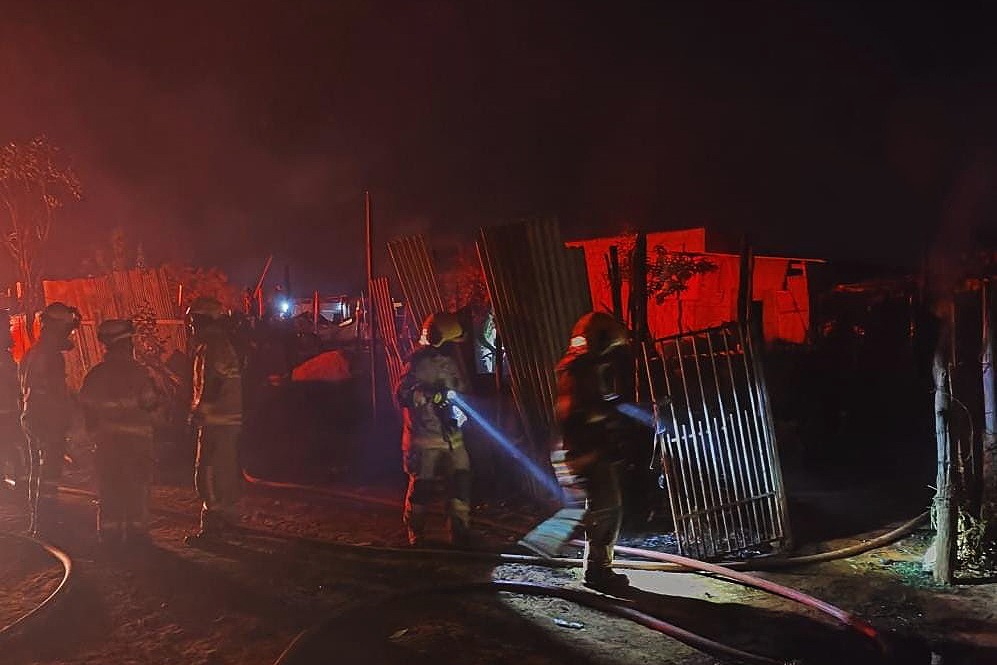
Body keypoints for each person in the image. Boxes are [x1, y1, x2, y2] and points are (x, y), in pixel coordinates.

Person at [554, 311, 632, 593]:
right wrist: (607, 417)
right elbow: (580, 412)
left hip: (582, 450)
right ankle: (599, 571)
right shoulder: (584, 368)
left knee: (600, 509)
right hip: (589, 452)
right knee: (608, 509)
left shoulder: (577, 366)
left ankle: (597, 568)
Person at [80, 319, 161, 545]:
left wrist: (93, 435)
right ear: (127, 343)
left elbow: (86, 411)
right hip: (138, 444)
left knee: (109, 488)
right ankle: (137, 535)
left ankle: (110, 534)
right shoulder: (140, 373)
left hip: (107, 445)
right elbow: (152, 404)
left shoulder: (95, 376)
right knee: (136, 488)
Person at [396, 312, 471, 547]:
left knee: (461, 483)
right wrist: (429, 394)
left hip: (452, 437)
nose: (455, 347)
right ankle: (416, 534)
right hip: (423, 437)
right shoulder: (415, 363)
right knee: (421, 489)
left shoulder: (449, 362)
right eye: (451, 342)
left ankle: (459, 532)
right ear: (440, 339)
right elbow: (402, 394)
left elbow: (460, 388)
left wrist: (457, 403)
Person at [183, 297, 243, 546]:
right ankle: (226, 519)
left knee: (207, 471)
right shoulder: (220, 343)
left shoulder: (212, 345)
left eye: (195, 319)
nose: (192, 324)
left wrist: (201, 411)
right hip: (227, 419)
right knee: (224, 469)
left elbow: (213, 382)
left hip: (215, 420)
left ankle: (213, 527)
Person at [18, 302, 80, 536]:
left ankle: (38, 522)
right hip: (46, 422)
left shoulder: (32, 353)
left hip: (32, 419)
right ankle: (46, 524)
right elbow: (54, 395)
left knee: (38, 471)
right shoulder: (51, 357)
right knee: (49, 475)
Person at [0, 310, 25, 490]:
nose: (9, 331)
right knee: (14, 445)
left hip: (9, 409)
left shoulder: (5, 356)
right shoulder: (3, 358)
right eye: (6, 327)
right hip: (6, 412)